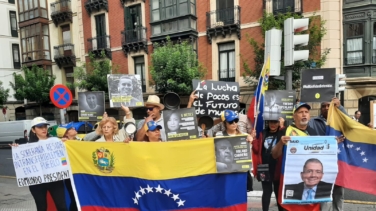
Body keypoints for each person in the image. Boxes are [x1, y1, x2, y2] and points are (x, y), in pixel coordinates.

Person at [272, 102, 345, 211]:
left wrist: (332, 143)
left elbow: (321, 151)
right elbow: (274, 154)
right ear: (294, 116)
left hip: (310, 191)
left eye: (306, 112)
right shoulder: (285, 132)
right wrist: (281, 143)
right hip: (289, 182)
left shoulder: (314, 132)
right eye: (300, 112)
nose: (304, 114)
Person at [10, 117, 68, 211]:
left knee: (62, 206)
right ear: (33, 130)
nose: (44, 129)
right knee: (41, 207)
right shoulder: (27, 146)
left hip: (55, 180)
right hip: (37, 183)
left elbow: (64, 159)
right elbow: (22, 163)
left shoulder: (56, 141)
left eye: (45, 126)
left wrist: (67, 144)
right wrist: (17, 149)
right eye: (40, 127)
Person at [308, 98, 348, 211]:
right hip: (322, 163)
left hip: (339, 161)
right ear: (320, 109)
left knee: (339, 191)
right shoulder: (313, 122)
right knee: (324, 192)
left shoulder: (340, 119)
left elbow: (350, 124)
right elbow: (309, 140)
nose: (326, 108)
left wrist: (340, 107)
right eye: (323, 106)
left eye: (328, 105)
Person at [252, 117, 285, 211]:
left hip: (278, 167)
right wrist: (253, 139)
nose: (273, 124)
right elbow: (257, 149)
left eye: (275, 122)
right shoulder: (263, 133)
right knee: (266, 192)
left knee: (278, 192)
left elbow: (286, 139)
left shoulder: (282, 132)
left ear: (279, 123)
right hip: (264, 167)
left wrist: (282, 127)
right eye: (271, 122)